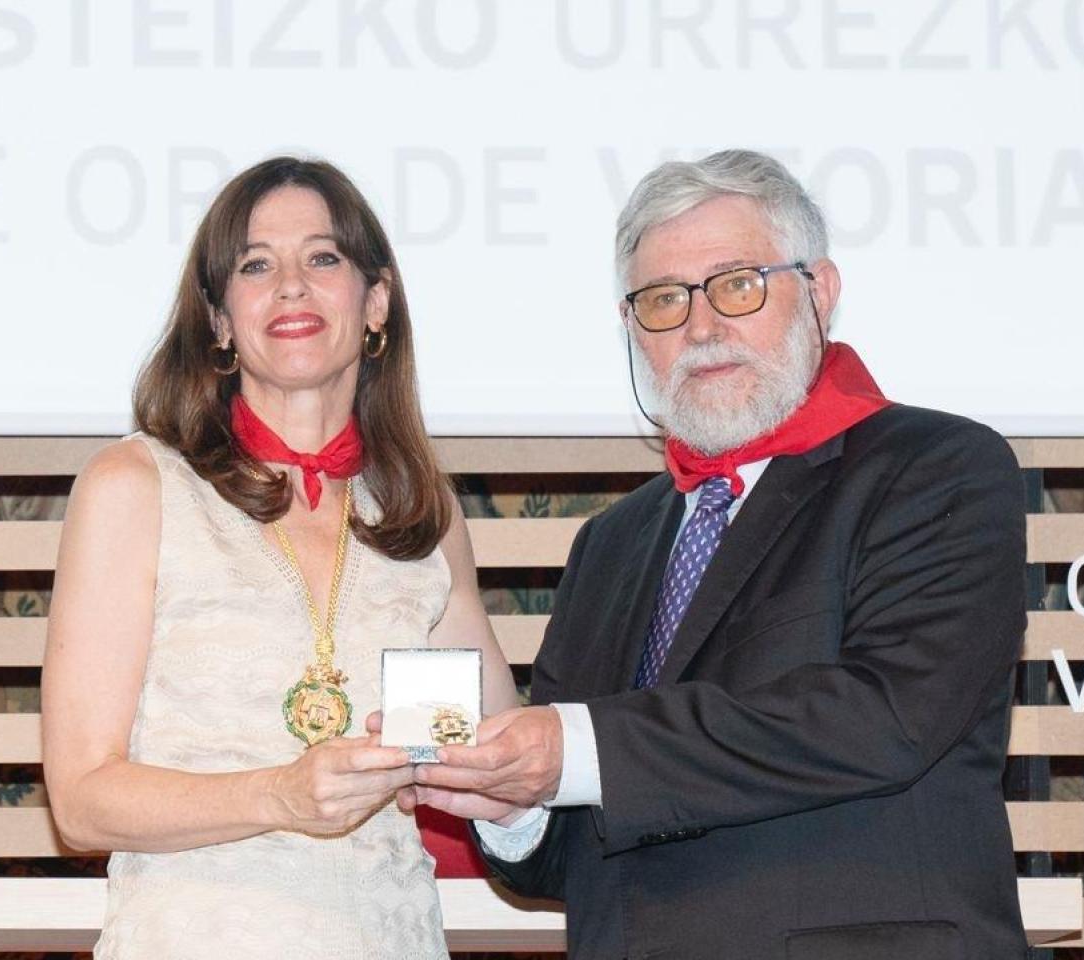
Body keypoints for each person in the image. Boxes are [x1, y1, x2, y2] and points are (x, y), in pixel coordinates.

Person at [407, 150, 1029, 959]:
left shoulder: (935, 467)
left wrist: (576, 748)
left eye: (738, 285)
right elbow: (568, 859)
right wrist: (510, 803)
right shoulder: (611, 543)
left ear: (821, 291)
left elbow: (887, 717)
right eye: (664, 300)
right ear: (633, 331)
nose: (701, 328)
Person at [39, 155, 517, 959]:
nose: (291, 285)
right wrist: (280, 795)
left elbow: (496, 756)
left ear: (376, 302)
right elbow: (81, 801)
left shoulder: (420, 514)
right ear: (221, 321)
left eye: (323, 258)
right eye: (256, 265)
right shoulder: (137, 485)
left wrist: (477, 768)